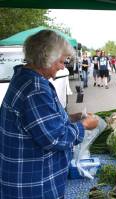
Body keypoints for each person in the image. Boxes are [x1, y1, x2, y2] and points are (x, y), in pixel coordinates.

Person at [0, 30, 99, 199]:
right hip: (34, 185)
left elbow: (39, 123)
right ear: (45, 58)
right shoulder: (36, 88)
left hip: (26, 179)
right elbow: (55, 138)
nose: (63, 67)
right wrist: (83, 126)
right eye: (61, 61)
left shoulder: (24, 77)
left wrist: (72, 118)